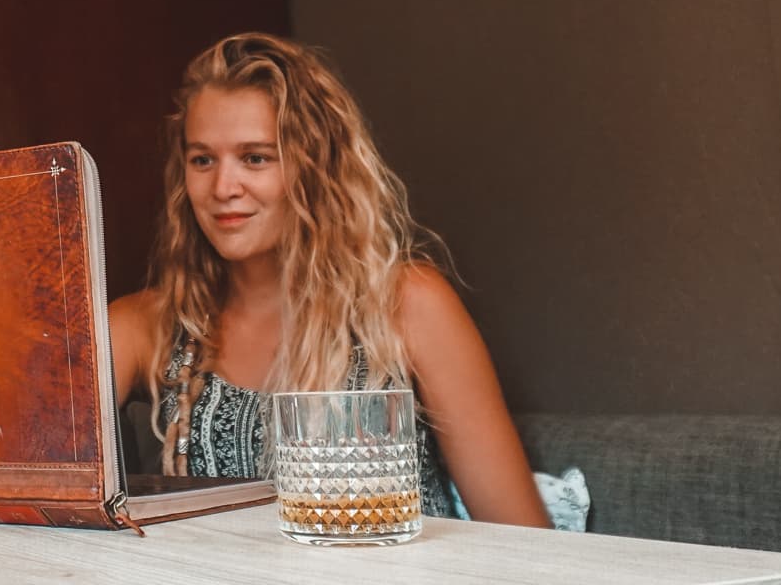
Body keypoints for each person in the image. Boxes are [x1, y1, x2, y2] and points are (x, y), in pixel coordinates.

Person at [110, 32, 550, 528]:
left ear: (318, 168)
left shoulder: (407, 303)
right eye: (202, 160)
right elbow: (25, 454)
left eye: (256, 158)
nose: (222, 188)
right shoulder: (152, 322)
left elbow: (524, 535)